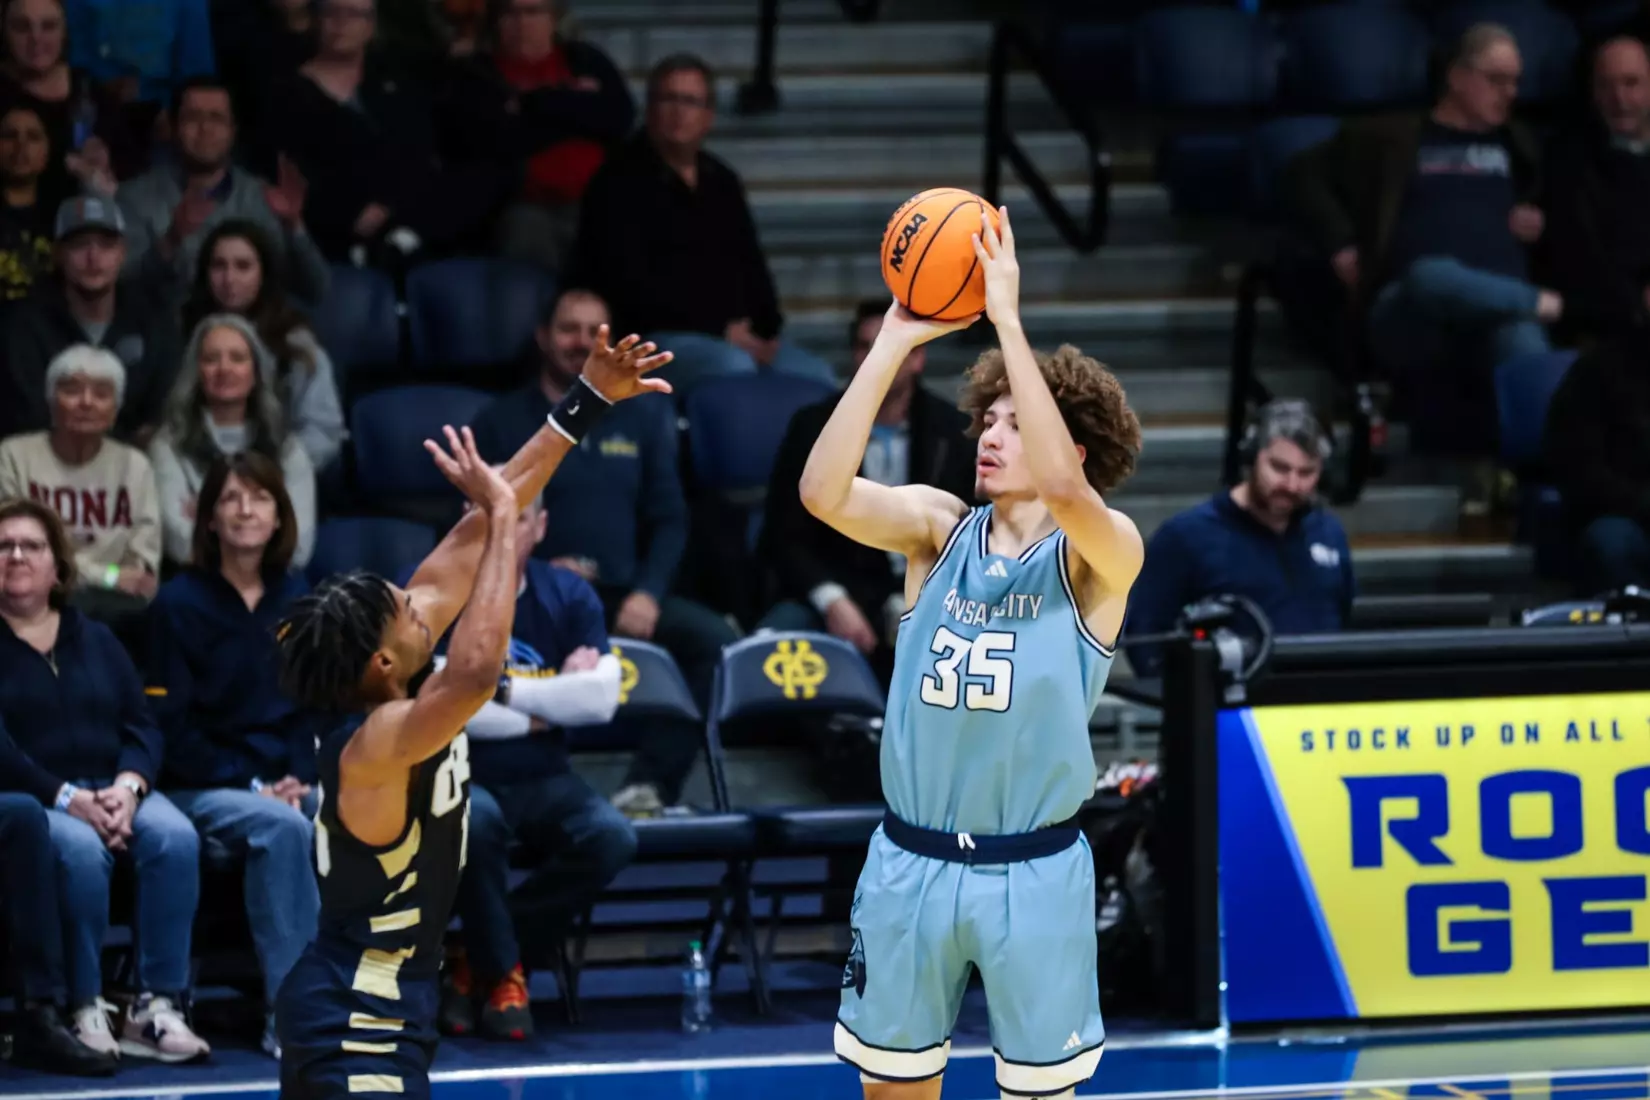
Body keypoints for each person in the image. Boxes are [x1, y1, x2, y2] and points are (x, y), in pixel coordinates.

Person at [271, 327, 669, 1099]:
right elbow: (481, 670)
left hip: (396, 1004)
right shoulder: (376, 741)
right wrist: (504, 537)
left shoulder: (392, 675)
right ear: (382, 665)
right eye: (409, 616)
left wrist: (582, 403)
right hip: (355, 1016)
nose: (424, 609)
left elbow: (480, 520)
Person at [801, 209, 1143, 1100]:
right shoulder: (936, 528)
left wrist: (1010, 322)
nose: (991, 435)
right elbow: (820, 490)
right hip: (909, 862)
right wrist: (898, 337)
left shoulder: (1101, 555)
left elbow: (1069, 493)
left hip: (1033, 869)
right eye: (985, 419)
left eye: (1015, 423)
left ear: (1068, 446)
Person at [0, 497, 208, 1063]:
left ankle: (155, 1006)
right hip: (39, 797)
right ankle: (83, 1004)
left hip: (115, 786)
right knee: (80, 849)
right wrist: (68, 798)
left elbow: (142, 723)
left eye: (31, 545)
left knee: (175, 837)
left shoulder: (96, 637)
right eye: (4, 545)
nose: (16, 555)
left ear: (58, 566)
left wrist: (129, 787)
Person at [436, 490, 633, 1041]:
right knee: (477, 824)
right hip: (455, 770)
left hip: (544, 775)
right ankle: (503, 980)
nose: (502, 529)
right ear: (466, 520)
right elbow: (444, 704)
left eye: (516, 518)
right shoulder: (432, 589)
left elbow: (599, 702)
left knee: (612, 838)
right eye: (486, 514)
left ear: (540, 526)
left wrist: (494, 691)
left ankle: (476, 956)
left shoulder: (567, 593)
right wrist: (548, 704)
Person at [146, 452, 323, 1058]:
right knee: (280, 824)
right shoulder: (176, 604)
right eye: (230, 498)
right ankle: (292, 1016)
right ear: (210, 520)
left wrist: (301, 774)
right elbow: (171, 729)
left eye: (260, 498)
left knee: (368, 806)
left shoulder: (302, 599)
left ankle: (381, 995)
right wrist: (254, 786)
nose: (245, 510)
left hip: (285, 779)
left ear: (280, 518)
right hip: (200, 784)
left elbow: (317, 707)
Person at [1124, 399, 1354, 675]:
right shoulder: (1186, 536)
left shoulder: (1329, 532)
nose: (1292, 485)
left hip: (1318, 708)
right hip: (1227, 707)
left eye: (1306, 473)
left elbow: (1342, 618)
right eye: (1279, 468)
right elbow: (1146, 643)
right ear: (1252, 457)